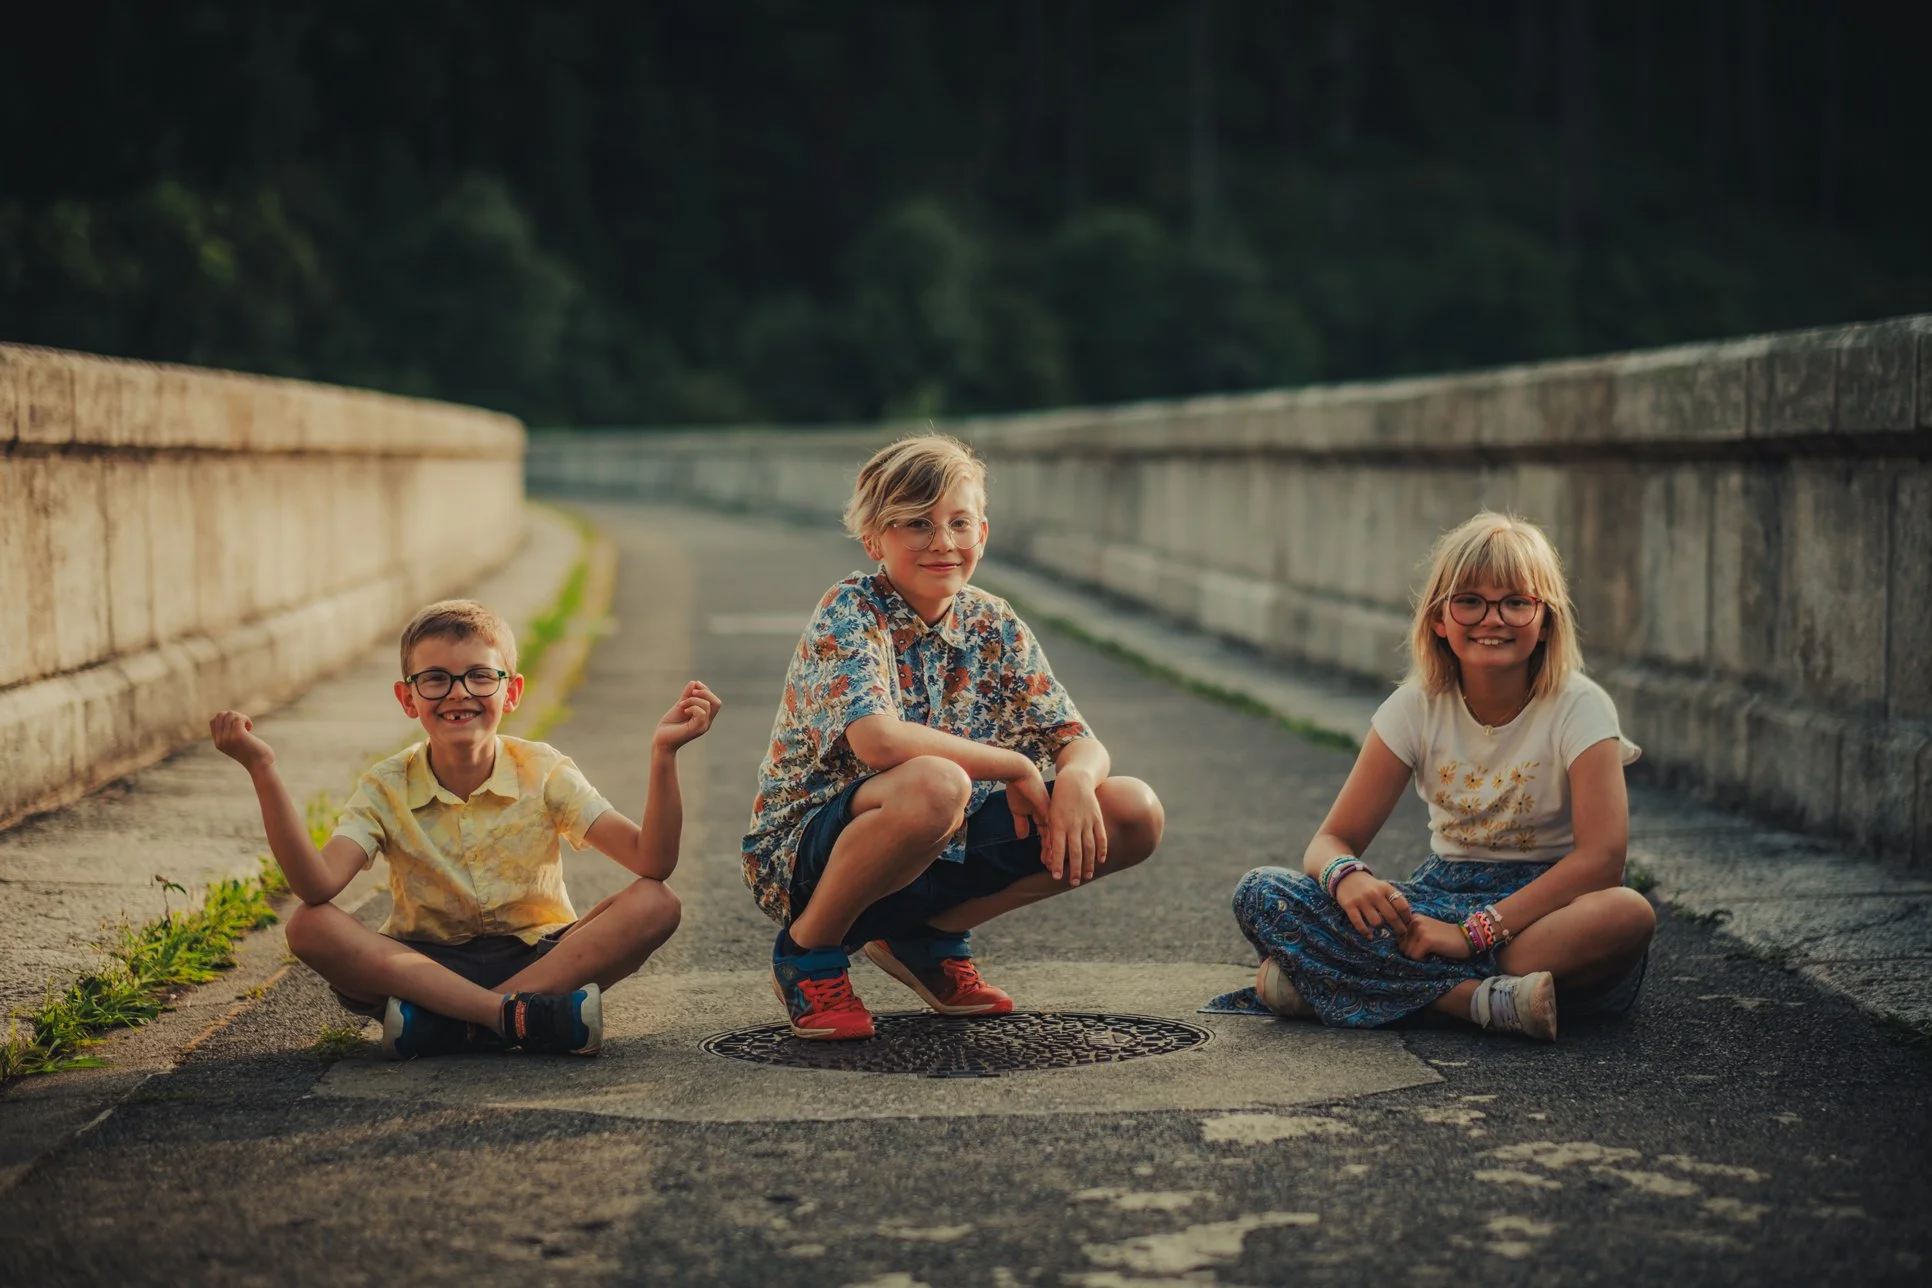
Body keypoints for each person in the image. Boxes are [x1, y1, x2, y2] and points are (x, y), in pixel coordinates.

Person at [744, 434, 1166, 1040]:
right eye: (917, 525)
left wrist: (1073, 775)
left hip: (941, 843)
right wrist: (1018, 768)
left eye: (959, 523)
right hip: (810, 855)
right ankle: (809, 954)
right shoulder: (853, 610)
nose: (943, 542)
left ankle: (925, 938)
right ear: (874, 541)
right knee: (938, 784)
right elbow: (878, 742)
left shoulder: (993, 621)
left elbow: (1076, 737)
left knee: (1131, 811)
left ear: (983, 534)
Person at [211, 598, 720, 1059]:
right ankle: (513, 1019)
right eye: (435, 679)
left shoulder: (542, 770)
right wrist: (263, 770)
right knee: (308, 924)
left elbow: (651, 862)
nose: (458, 693)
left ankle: (453, 1024)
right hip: (424, 966)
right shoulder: (385, 786)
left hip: (541, 958)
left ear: (512, 691)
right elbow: (317, 885)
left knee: (657, 902)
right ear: (408, 698)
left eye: (479, 676)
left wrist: (663, 755)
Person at [1233, 512, 1654, 1041]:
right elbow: (1330, 841)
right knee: (1262, 891)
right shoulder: (1415, 706)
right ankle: (1471, 1001)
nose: (1492, 619)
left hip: (1544, 912)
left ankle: (1337, 985)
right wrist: (1348, 876)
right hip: (1440, 896)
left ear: (1545, 620)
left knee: (1627, 913)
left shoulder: (1581, 707)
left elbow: (1601, 861)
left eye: (1517, 602)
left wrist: (1472, 935)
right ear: (1439, 619)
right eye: (1470, 600)